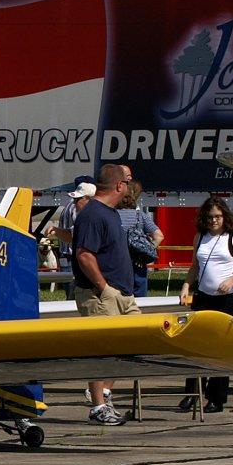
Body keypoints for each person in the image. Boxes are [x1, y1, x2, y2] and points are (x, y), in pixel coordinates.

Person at [177, 197, 233, 412]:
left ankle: (216, 397)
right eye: (209, 217)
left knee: (221, 348)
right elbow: (195, 265)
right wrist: (187, 285)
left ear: (225, 216)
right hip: (204, 296)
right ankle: (192, 392)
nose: (214, 221)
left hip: (228, 299)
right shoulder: (200, 237)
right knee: (197, 346)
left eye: (217, 216)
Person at [73, 163, 138, 426]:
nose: (130, 186)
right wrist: (104, 288)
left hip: (122, 294)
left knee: (133, 344)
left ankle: (105, 392)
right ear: (119, 186)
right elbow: (84, 254)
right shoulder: (93, 214)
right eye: (127, 181)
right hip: (100, 295)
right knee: (101, 349)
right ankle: (98, 406)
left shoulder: (110, 213)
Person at [116, 180, 164, 297]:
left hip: (117, 263)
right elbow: (159, 236)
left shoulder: (112, 215)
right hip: (138, 262)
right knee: (139, 301)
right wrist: (146, 252)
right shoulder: (140, 216)